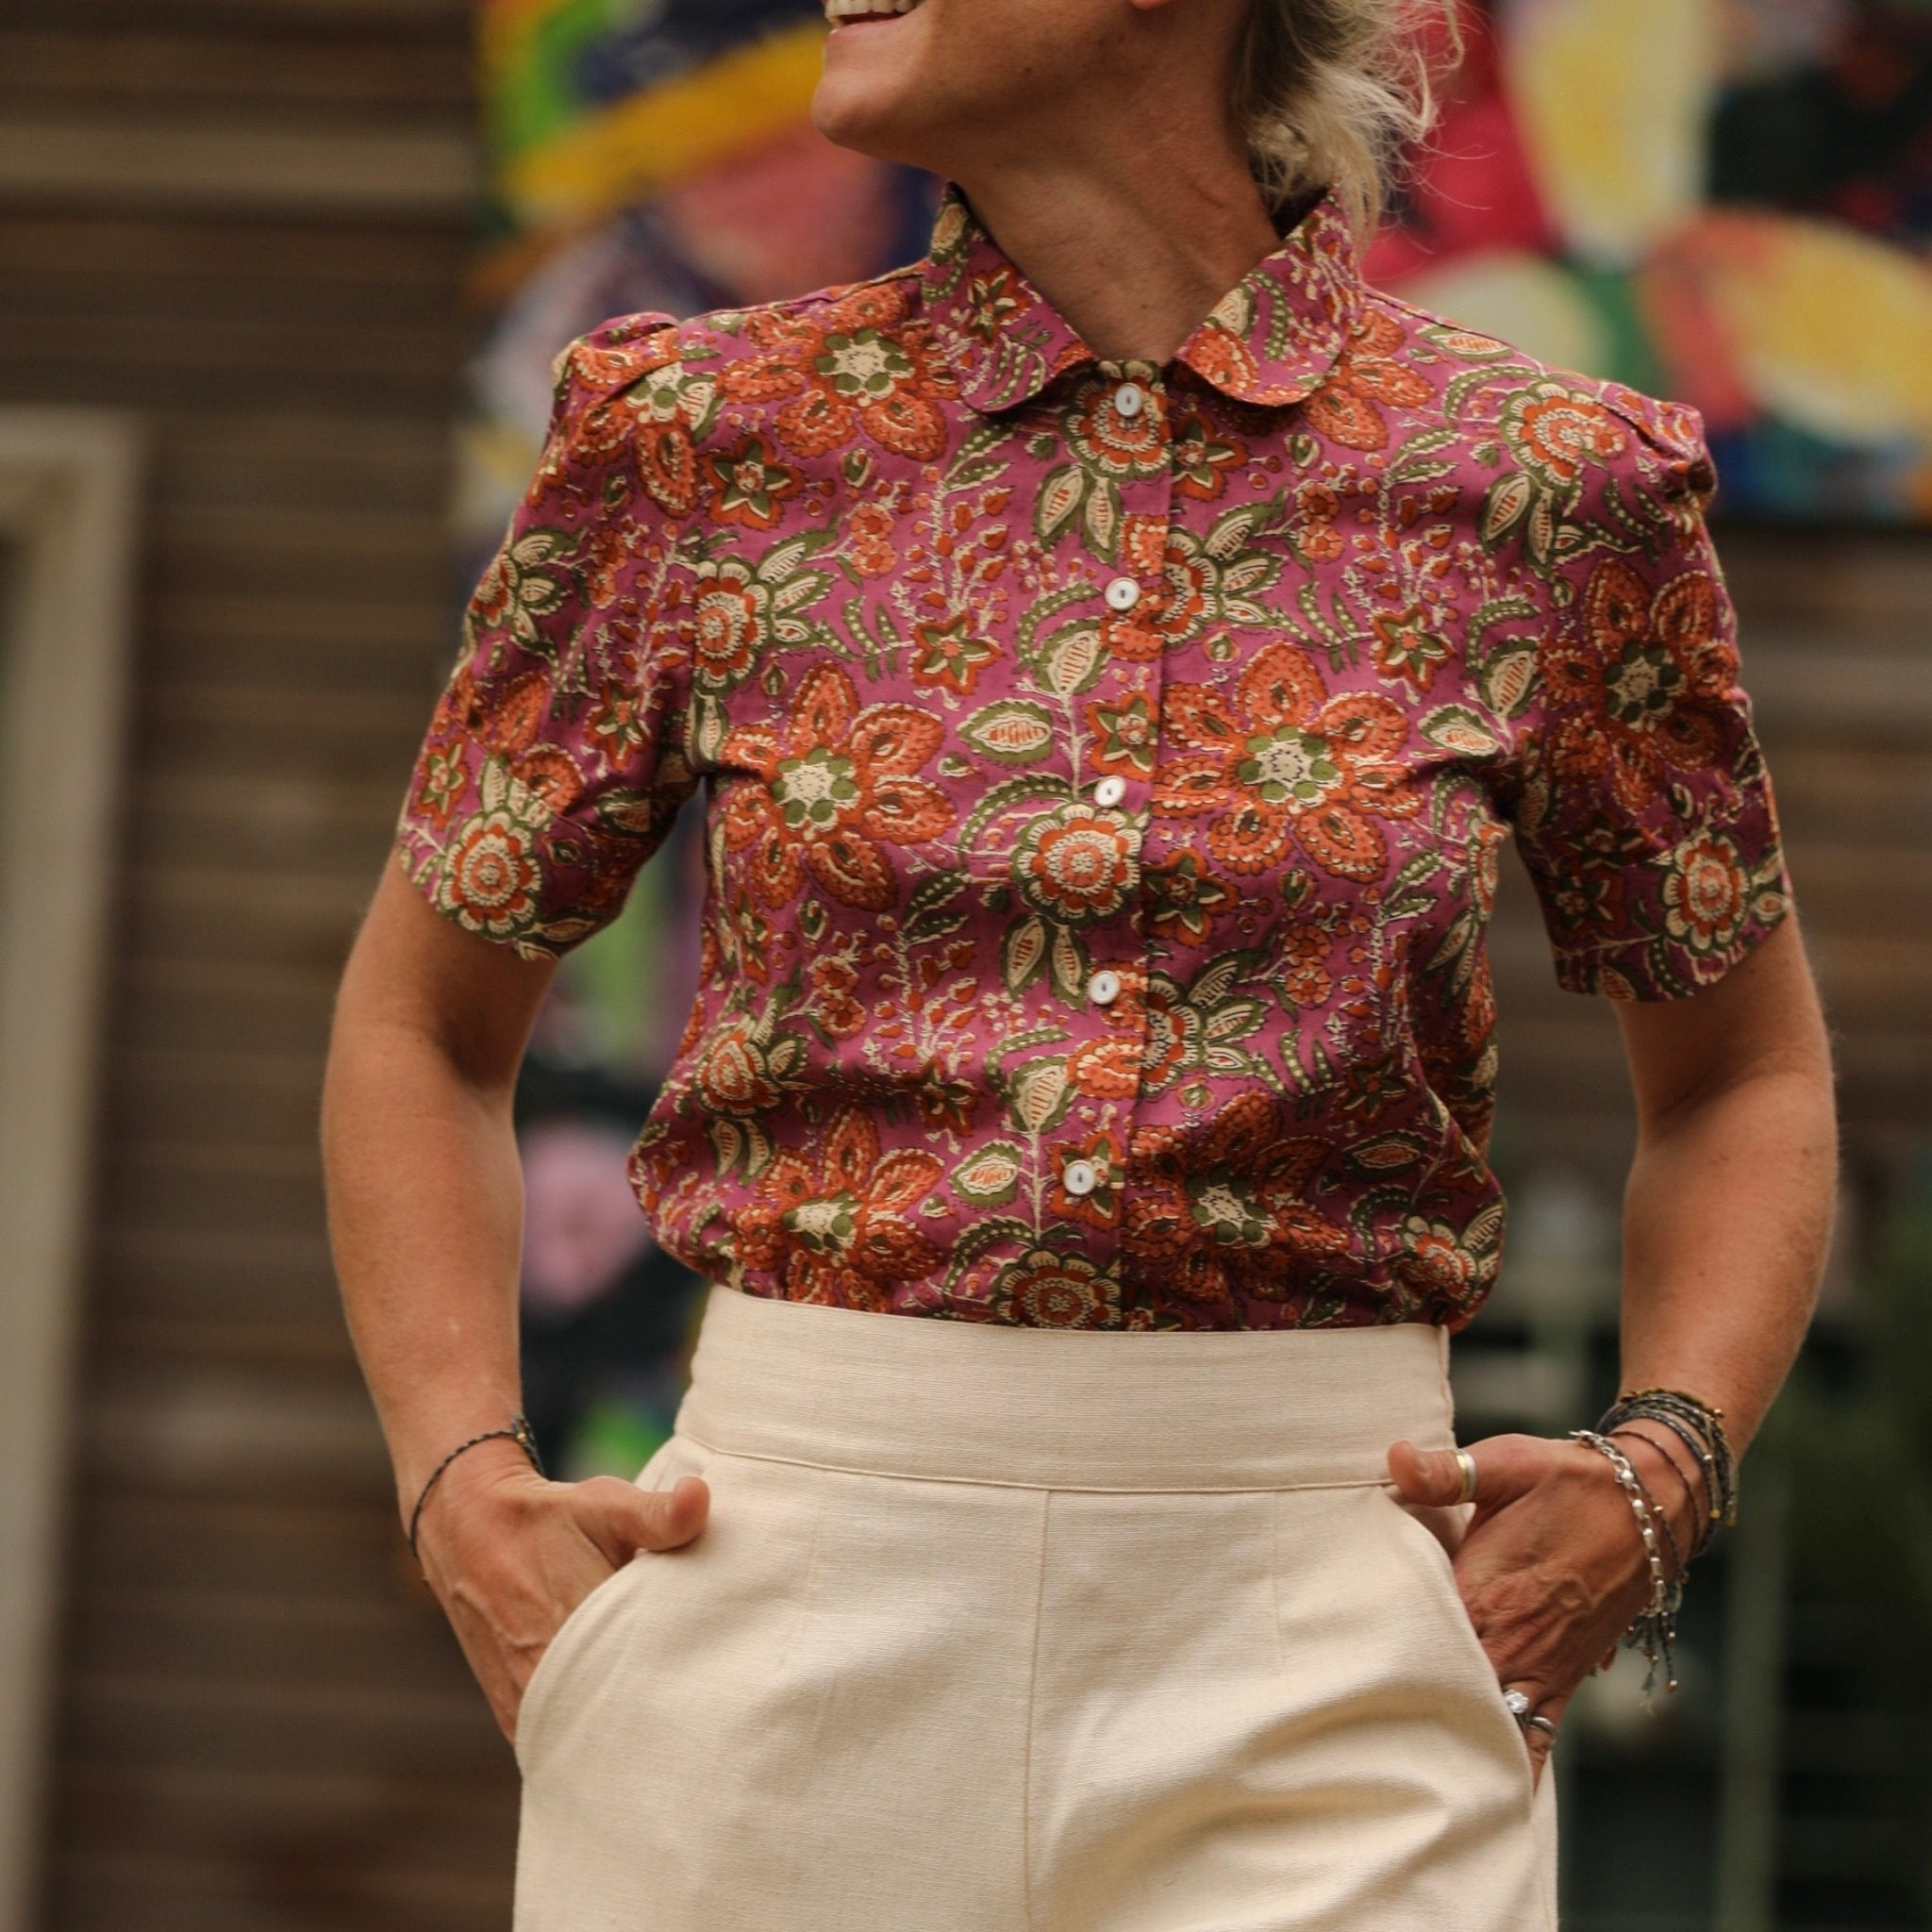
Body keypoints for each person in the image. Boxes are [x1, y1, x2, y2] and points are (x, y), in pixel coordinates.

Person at [319, 0, 1840, 1925]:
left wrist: (1663, 1463)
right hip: (772, 1628)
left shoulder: (1548, 486)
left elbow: (1742, 1080)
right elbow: (420, 1027)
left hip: (1330, 1652)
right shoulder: (694, 443)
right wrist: (461, 1483)